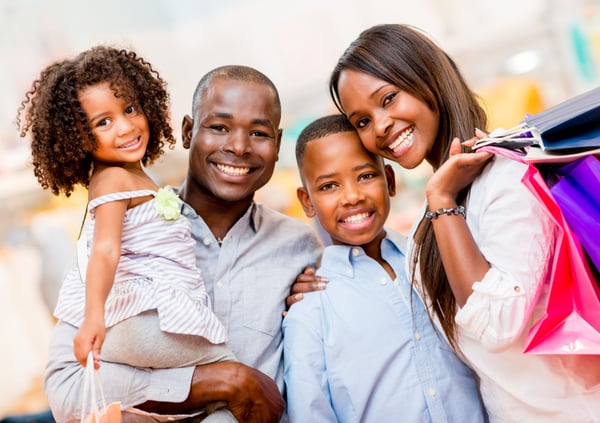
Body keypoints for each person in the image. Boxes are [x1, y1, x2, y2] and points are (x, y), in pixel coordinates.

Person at [320, 23, 600, 422]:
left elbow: (497, 324)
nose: (379, 127)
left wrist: (441, 200)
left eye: (388, 99)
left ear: (427, 80)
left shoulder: (508, 175)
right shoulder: (428, 223)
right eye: (362, 121)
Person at [21, 60, 322, 422]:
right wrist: (219, 381)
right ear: (187, 131)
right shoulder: (129, 231)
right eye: (219, 127)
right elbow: (69, 392)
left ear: (276, 144)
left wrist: (318, 299)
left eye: (259, 133)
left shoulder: (300, 247)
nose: (239, 146)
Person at [17, 45, 238, 421]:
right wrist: (93, 318)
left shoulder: (134, 177)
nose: (125, 127)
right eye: (103, 122)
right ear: (77, 138)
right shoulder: (112, 179)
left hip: (145, 322)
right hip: (141, 322)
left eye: (130, 109)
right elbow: (105, 250)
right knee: (234, 369)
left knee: (214, 412)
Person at [282, 114, 487, 422]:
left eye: (365, 176)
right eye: (329, 186)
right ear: (307, 202)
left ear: (390, 181)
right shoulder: (309, 309)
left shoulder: (435, 257)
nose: (352, 196)